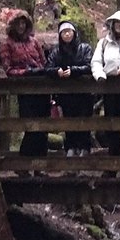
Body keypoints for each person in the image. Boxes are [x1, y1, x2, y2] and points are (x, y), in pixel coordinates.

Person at [0, 9, 50, 156]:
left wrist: (41, 72)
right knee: (30, 126)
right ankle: (25, 161)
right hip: (25, 90)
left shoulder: (34, 41)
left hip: (41, 87)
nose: (21, 26)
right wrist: (25, 73)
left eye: (23, 23)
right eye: (18, 23)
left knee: (44, 125)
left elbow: (44, 62)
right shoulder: (6, 44)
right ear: (12, 25)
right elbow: (8, 69)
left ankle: (41, 162)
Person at [92, 10, 120, 156]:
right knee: (112, 124)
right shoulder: (103, 43)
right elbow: (96, 62)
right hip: (110, 89)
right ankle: (114, 159)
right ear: (112, 24)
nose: (119, 25)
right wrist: (100, 75)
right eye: (117, 22)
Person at [45, 21, 94, 155]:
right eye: (64, 32)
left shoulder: (85, 48)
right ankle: (71, 147)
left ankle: (84, 147)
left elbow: (89, 66)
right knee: (68, 119)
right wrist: (57, 71)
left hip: (84, 93)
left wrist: (74, 71)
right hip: (65, 94)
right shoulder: (56, 51)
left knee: (84, 120)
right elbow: (48, 67)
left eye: (69, 31)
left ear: (74, 33)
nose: (67, 34)